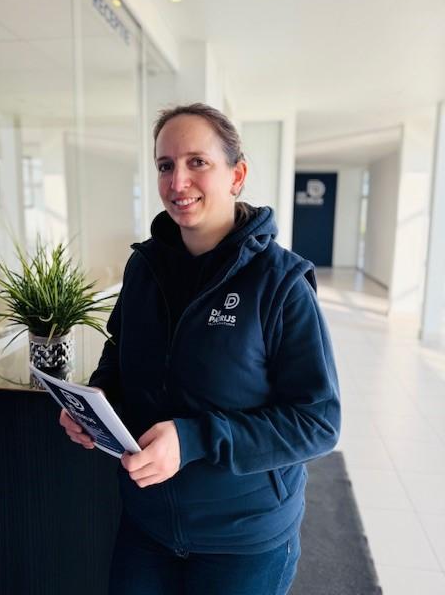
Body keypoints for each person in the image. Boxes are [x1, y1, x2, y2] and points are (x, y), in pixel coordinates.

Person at [59, 103, 340, 595]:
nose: (177, 181)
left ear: (237, 175)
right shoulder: (144, 268)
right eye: (165, 165)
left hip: (243, 541)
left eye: (197, 162)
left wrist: (194, 439)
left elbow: (318, 423)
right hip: (147, 526)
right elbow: (119, 354)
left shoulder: (281, 283)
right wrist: (95, 405)